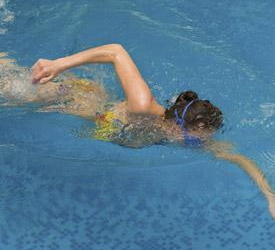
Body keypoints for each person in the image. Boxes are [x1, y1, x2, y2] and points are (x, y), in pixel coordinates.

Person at [0, 44, 274, 218]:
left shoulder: (184, 135)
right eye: (194, 140)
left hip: (91, 117)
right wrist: (59, 64)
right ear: (180, 127)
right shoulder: (143, 107)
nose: (197, 145)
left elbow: (238, 158)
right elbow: (116, 51)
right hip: (67, 97)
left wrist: (270, 196)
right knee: (10, 86)